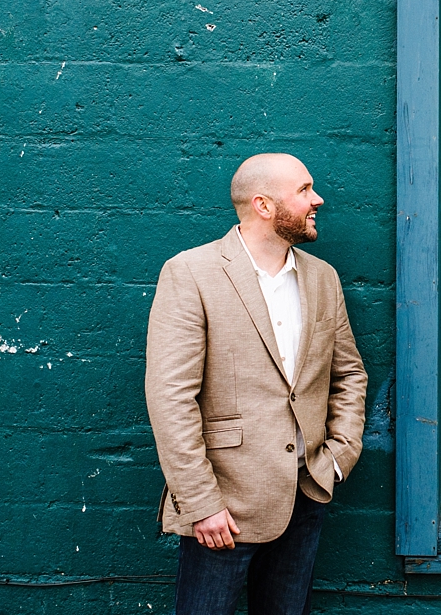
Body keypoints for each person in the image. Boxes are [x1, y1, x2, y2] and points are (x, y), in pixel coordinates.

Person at [145, 153, 367, 614]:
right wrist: (201, 503)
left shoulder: (323, 278)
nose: (317, 199)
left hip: (305, 494)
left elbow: (348, 374)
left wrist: (339, 456)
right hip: (223, 506)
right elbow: (170, 397)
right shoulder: (191, 273)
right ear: (264, 205)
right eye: (304, 190)